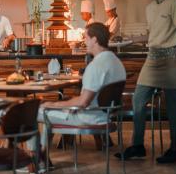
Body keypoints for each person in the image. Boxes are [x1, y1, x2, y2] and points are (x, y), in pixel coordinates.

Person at [116, 0, 176, 164]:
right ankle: (138, 145)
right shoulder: (150, 8)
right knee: (138, 101)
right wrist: (131, 39)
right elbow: (152, 35)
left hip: (170, 58)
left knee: (173, 106)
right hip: (152, 58)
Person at [29, 22, 126, 165]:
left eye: (86, 38)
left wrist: (54, 104)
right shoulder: (116, 62)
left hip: (89, 117)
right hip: (106, 116)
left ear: (94, 39)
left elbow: (83, 102)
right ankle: (43, 158)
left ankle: (36, 162)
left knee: (32, 111)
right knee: (47, 111)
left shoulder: (96, 66)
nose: (84, 42)